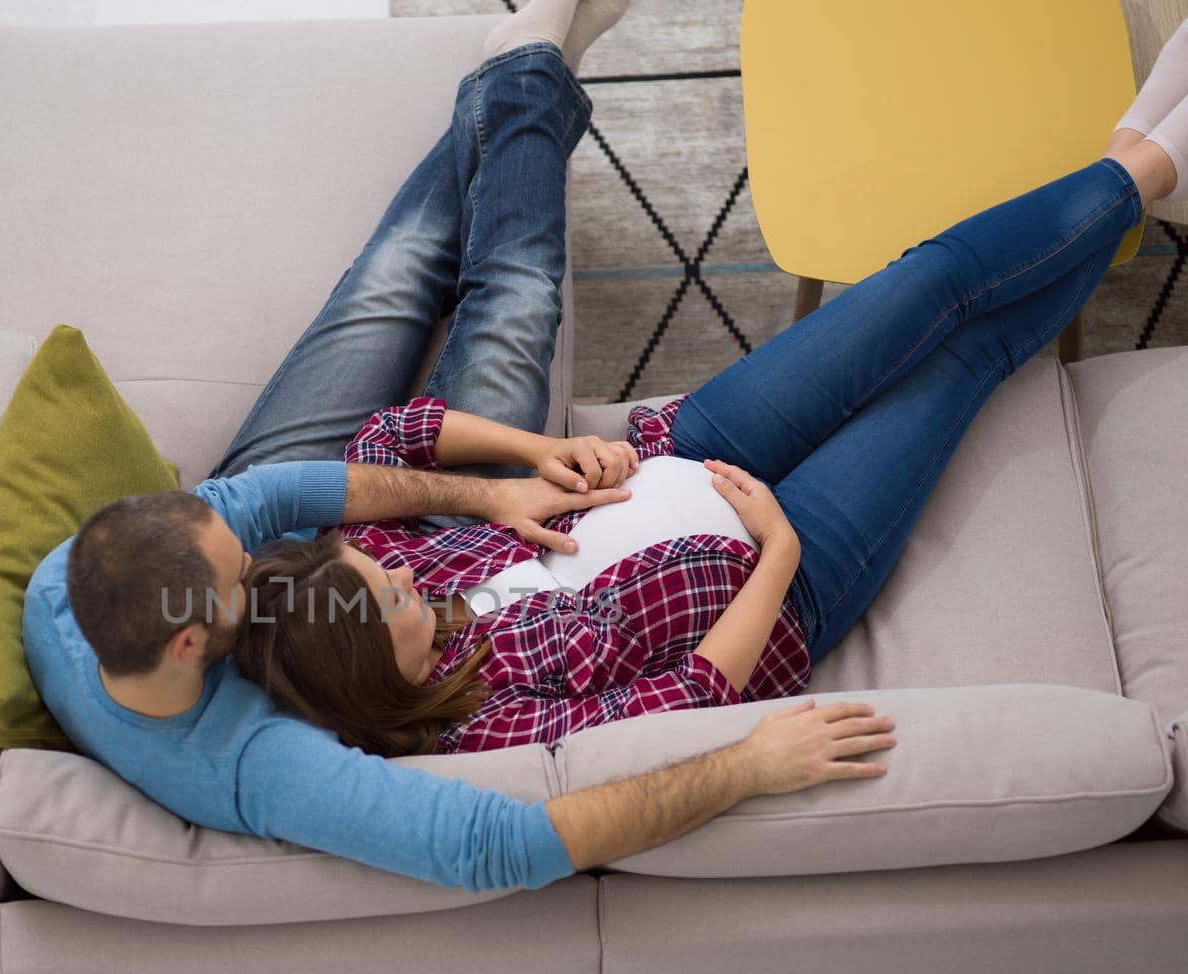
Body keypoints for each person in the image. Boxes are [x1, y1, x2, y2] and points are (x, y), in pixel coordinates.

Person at [23, 0, 899, 895]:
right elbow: (500, 849)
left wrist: (493, 498)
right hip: (369, 625)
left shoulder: (67, 590)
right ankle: (525, 69)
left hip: (371, 575)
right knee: (509, 311)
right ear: (188, 646)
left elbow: (268, 502)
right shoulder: (255, 765)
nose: (259, 556)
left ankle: (523, 68)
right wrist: (747, 766)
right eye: (239, 576)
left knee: (389, 284)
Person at [235, 20, 1188, 758]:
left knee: (925, 285)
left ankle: (1138, 164)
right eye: (393, 598)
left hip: (681, 446)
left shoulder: (376, 583)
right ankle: (1148, 158)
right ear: (378, 686)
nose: (403, 575)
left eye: (380, 571)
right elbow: (686, 700)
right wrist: (775, 547)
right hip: (791, 569)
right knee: (964, 359)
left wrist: (532, 459)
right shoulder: (479, 730)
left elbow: (391, 437)